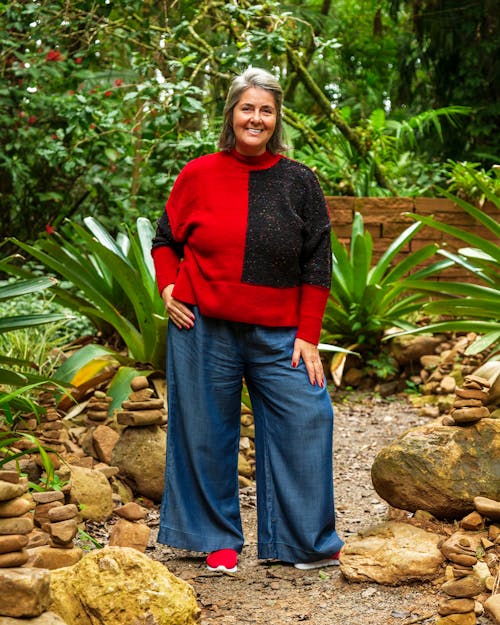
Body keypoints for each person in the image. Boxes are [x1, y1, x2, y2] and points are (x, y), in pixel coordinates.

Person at [151, 67, 344, 574]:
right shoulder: (198, 173)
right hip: (202, 324)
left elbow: (317, 262)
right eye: (246, 108)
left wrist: (309, 335)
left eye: (265, 109)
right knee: (204, 431)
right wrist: (168, 286)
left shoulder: (299, 180)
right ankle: (215, 539)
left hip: (278, 330)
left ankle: (306, 542)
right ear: (231, 114)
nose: (255, 118)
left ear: (276, 119)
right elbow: (165, 240)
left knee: (309, 417)